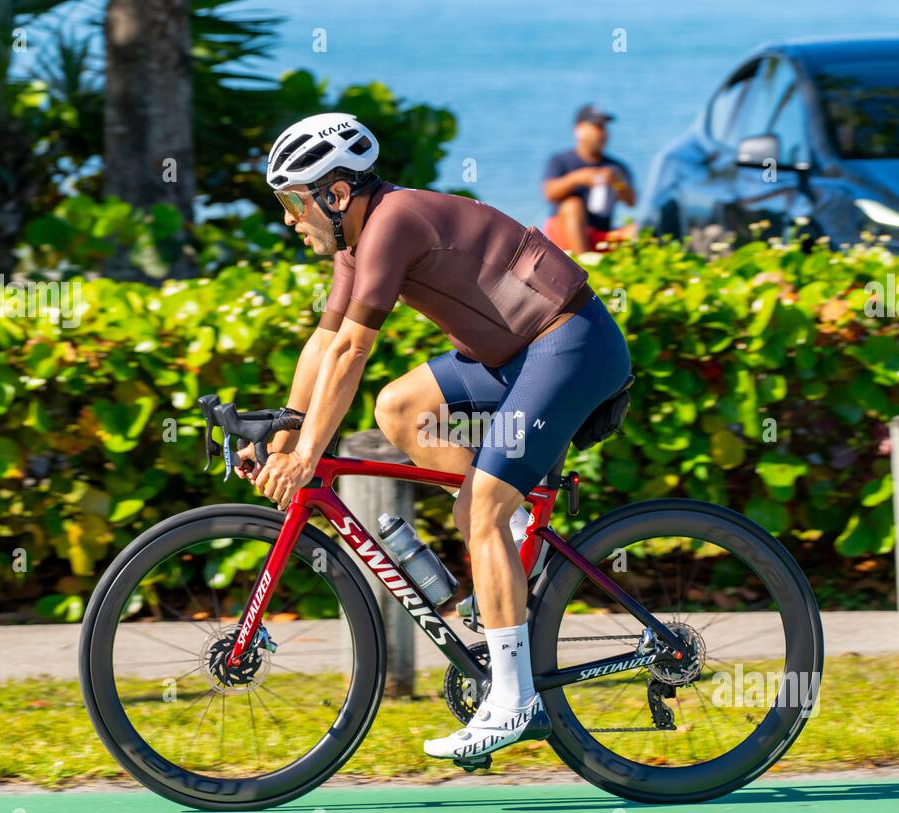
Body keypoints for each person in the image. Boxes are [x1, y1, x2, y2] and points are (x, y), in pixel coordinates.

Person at [243, 112, 632, 761]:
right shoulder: (354, 246)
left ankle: (514, 701)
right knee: (398, 407)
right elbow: (323, 344)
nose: (289, 219)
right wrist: (286, 439)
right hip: (511, 354)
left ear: (336, 195)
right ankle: (506, 527)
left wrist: (310, 455)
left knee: (479, 506)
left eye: (292, 202)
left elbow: (353, 353)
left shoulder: (391, 223)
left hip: (569, 346)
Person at [542, 104, 638, 253]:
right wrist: (578, 178)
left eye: (604, 127)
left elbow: (632, 202)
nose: (602, 133)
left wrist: (618, 183)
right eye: (597, 126)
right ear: (579, 130)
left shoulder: (616, 167)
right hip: (564, 233)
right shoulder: (561, 160)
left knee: (639, 228)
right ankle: (582, 265)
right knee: (572, 205)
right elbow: (549, 193)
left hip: (600, 231)